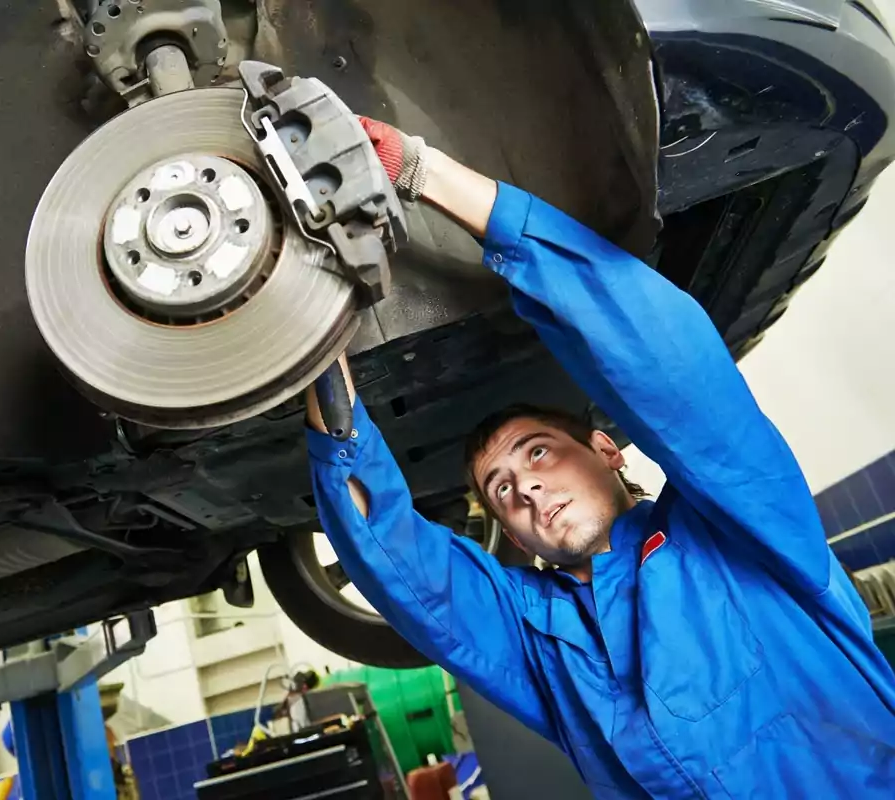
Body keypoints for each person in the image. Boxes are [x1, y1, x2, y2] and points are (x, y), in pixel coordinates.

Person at [305, 117, 895, 797]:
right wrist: (314, 313)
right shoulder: (537, 642)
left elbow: (672, 369)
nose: (523, 489)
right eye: (500, 490)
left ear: (608, 450)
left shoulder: (741, 532)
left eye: (539, 453)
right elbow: (394, 554)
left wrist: (419, 170)